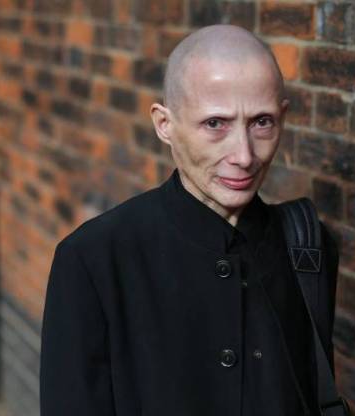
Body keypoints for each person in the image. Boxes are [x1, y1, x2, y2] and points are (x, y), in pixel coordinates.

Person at [40, 25, 339, 415]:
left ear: (283, 117)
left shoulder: (309, 247)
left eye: (261, 122)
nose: (244, 155)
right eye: (215, 124)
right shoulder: (94, 258)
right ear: (164, 124)